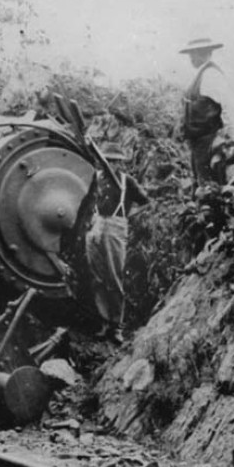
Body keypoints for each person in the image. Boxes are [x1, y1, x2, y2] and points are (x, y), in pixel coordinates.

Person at [83, 143, 149, 343]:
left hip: (115, 227)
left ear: (121, 163)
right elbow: (88, 200)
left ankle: (116, 326)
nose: (111, 164)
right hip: (96, 226)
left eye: (115, 161)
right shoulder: (97, 177)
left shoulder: (126, 181)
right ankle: (104, 322)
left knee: (114, 275)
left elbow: (146, 201)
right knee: (97, 275)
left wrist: (126, 217)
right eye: (108, 160)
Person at [179, 37, 233, 186]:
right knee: (201, 182)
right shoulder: (202, 73)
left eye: (193, 54)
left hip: (208, 140)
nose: (190, 58)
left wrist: (224, 136)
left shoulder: (211, 75)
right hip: (199, 141)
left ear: (201, 53)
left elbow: (225, 106)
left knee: (209, 184)